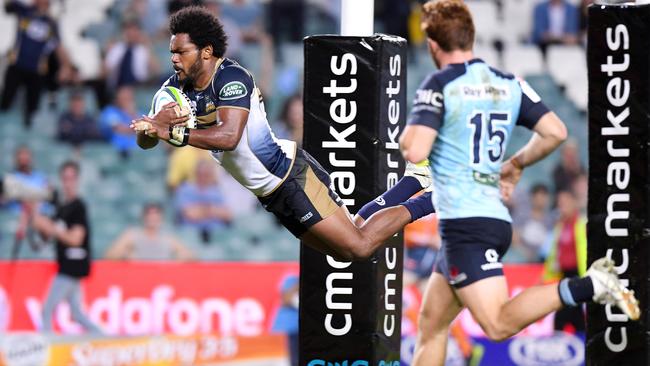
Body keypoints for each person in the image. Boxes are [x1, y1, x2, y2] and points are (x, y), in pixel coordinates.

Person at [399, 2, 639, 365]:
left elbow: (414, 148)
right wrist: (515, 163)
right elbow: (555, 132)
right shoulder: (508, 82)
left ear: (433, 45)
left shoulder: (440, 83)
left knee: (496, 324)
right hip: (490, 218)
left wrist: (409, 135)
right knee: (432, 324)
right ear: (471, 36)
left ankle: (592, 285)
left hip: (466, 225)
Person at [131, 6, 434, 263]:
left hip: (290, 176)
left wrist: (171, 131)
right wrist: (151, 129)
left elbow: (229, 137)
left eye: (181, 52)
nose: (173, 59)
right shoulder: (173, 89)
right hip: (270, 193)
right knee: (345, 248)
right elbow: (147, 139)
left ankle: (434, 199)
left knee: (359, 246)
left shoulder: (232, 78)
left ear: (206, 52)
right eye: (172, 52)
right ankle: (414, 180)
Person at [29, 161, 102, 333]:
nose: (68, 182)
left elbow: (76, 239)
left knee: (47, 310)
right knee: (76, 313)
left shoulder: (78, 206)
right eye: (65, 178)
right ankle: (102, 337)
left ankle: (47, 353)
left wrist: (51, 227)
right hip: (66, 264)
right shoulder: (61, 207)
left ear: (77, 180)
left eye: (72, 178)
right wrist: (36, 216)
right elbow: (46, 237)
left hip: (72, 266)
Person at [0, 0, 73, 128]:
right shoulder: (24, 11)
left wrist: (65, 66)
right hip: (17, 65)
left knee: (32, 109)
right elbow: (7, 6)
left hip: (36, 70)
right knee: (6, 101)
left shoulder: (51, 23)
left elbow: (58, 46)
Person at [542, 189, 587, 332]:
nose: (562, 206)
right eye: (560, 203)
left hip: (579, 275)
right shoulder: (560, 227)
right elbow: (554, 253)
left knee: (569, 314)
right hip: (564, 276)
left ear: (574, 203)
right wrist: (547, 275)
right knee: (569, 315)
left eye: (565, 202)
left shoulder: (582, 224)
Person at [105, 203, 193, 261]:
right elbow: (109, 255)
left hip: (161, 279)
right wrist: (125, 255)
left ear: (161, 219)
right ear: (143, 217)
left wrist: (178, 258)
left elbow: (191, 256)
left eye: (156, 215)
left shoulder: (167, 239)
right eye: (149, 215)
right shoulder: (133, 235)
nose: (152, 219)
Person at [174, 160, 232, 243]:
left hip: (216, 234)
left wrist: (201, 210)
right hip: (192, 234)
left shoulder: (216, 191)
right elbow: (190, 214)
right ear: (196, 174)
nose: (204, 177)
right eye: (201, 174)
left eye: (207, 174)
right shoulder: (186, 189)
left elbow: (227, 215)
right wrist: (213, 210)